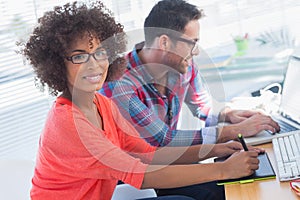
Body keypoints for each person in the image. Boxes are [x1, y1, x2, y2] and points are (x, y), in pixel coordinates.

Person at [20, 1, 263, 200]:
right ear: (55, 64)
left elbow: (149, 154)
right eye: (79, 56)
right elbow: (143, 174)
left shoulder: (101, 105)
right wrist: (222, 167)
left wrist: (217, 149)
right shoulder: (69, 122)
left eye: (101, 53)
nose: (94, 64)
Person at [100, 0, 280, 147]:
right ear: (164, 43)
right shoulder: (118, 83)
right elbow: (162, 138)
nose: (196, 52)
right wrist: (236, 131)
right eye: (192, 43)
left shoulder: (181, 65)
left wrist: (229, 114)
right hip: (139, 178)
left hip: (172, 164)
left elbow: (202, 105)